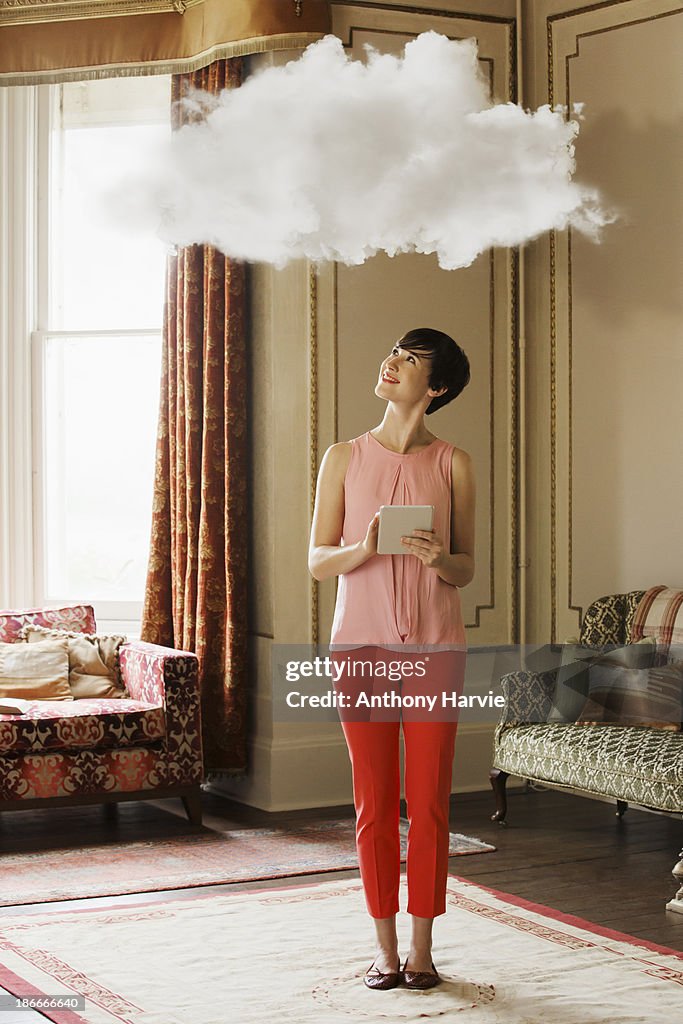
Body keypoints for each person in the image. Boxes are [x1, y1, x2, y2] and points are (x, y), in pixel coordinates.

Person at [308, 327, 475, 991]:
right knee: (374, 805)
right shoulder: (342, 457)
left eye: (408, 361)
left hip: (437, 650)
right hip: (361, 651)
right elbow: (317, 561)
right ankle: (383, 949)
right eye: (394, 353)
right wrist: (367, 544)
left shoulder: (454, 463)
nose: (391, 364)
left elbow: (466, 566)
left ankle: (423, 949)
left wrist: (441, 559)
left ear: (434, 388)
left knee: (428, 803)